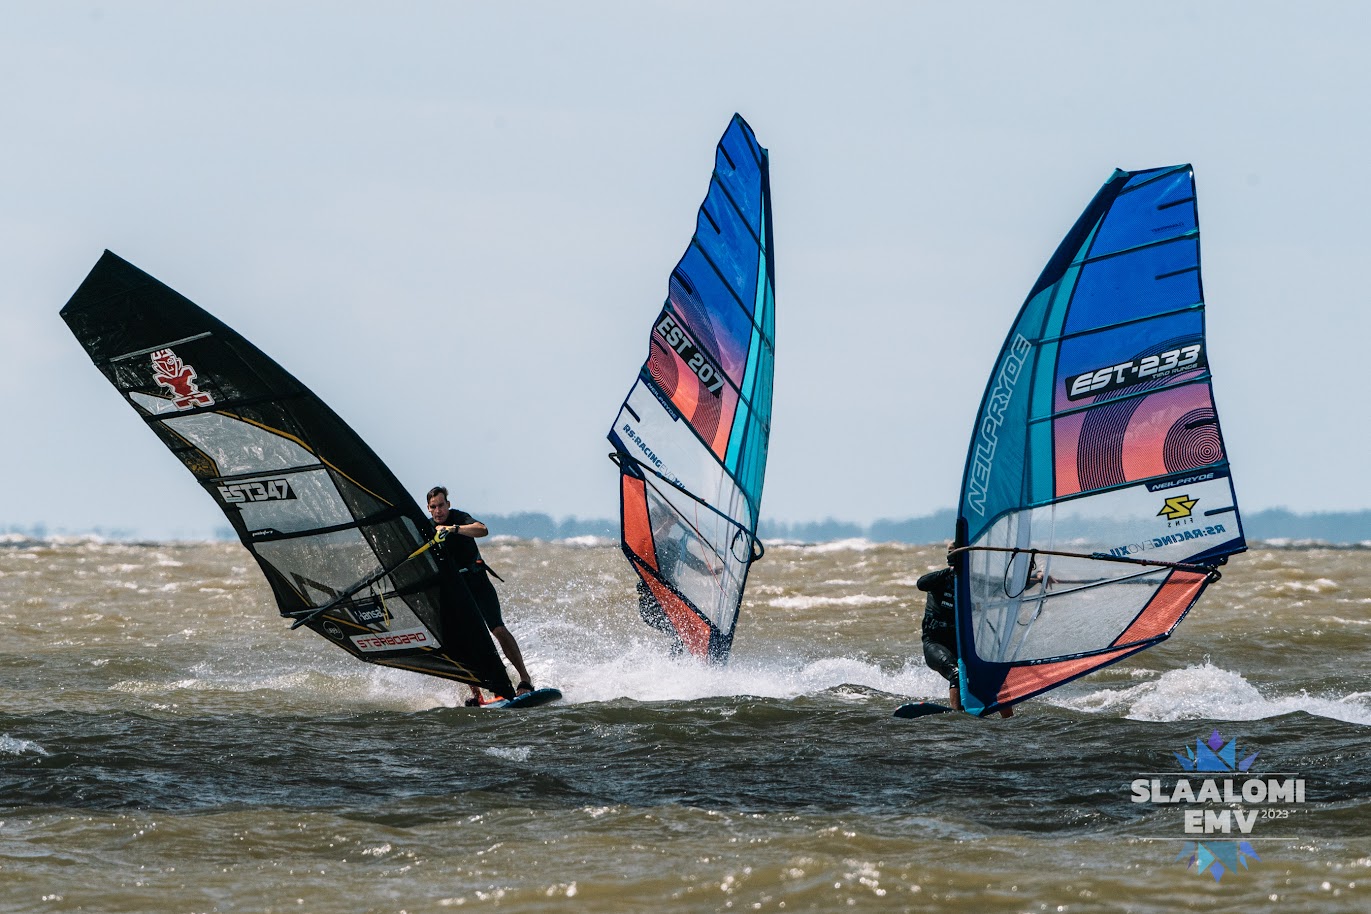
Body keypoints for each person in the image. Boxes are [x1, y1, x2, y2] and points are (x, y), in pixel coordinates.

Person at [426, 486, 534, 704]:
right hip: (455, 589)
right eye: (433, 507)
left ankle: (525, 679)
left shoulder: (458, 518)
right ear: (429, 509)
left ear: (448, 504)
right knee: (463, 640)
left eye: (441, 505)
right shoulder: (427, 527)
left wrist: (453, 529)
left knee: (497, 628)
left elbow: (482, 530)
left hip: (477, 582)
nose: (438, 511)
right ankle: (478, 695)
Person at [917, 546, 1013, 718]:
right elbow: (921, 583)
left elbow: (1005, 586)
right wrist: (951, 571)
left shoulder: (974, 584)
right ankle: (958, 718)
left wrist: (1037, 579)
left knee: (995, 678)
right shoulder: (940, 579)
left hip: (962, 646)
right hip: (935, 644)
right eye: (952, 552)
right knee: (956, 674)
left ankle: (1010, 721)